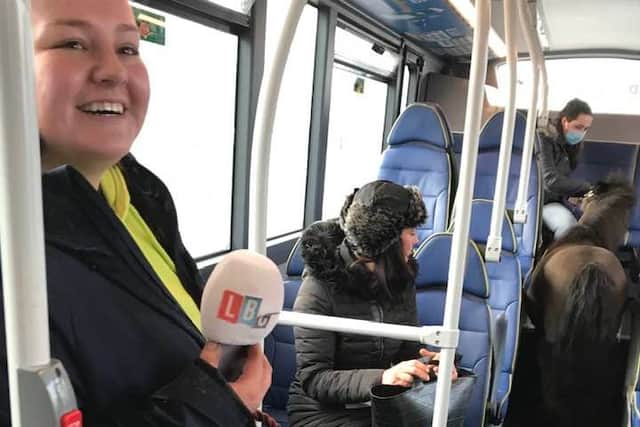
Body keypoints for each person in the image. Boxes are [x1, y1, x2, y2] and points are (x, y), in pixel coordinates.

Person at [0, 1, 273, 425]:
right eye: (72, 43)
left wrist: (232, 402)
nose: (113, 70)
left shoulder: (137, 198)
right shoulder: (13, 255)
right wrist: (218, 406)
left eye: (127, 48)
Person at [287, 180, 456, 426]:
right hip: (321, 411)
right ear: (387, 244)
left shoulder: (401, 280)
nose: (416, 240)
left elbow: (407, 350)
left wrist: (431, 364)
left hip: (377, 401)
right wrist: (383, 377)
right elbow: (315, 379)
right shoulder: (318, 290)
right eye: (411, 232)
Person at [536, 98, 594, 240]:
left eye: (585, 129)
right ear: (564, 121)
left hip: (555, 201)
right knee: (569, 227)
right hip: (537, 202)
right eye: (578, 127)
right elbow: (550, 180)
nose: (582, 133)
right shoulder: (545, 139)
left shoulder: (569, 147)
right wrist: (588, 188)